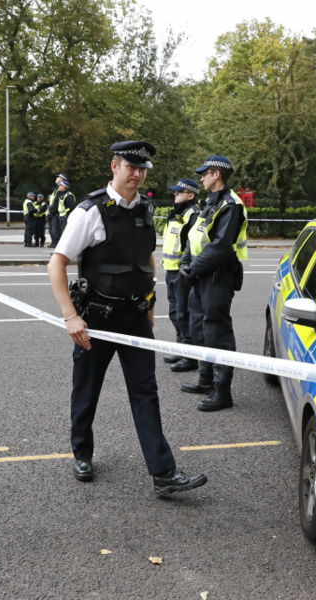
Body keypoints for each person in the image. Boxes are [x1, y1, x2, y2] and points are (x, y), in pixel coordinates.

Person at [47, 140, 207, 497]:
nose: (137, 174)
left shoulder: (146, 209)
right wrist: (71, 316)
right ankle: (82, 453)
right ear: (114, 167)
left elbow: (145, 261)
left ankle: (163, 473)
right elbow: (56, 263)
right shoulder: (89, 211)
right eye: (130, 167)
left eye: (142, 169)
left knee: (146, 392)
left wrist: (149, 311)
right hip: (96, 319)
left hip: (134, 318)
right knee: (87, 390)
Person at [179, 156, 248, 412]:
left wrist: (193, 268)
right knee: (199, 327)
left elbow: (220, 246)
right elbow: (195, 235)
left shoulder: (231, 205)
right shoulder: (211, 201)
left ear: (216, 175)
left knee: (217, 332)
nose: (201, 178)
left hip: (218, 275)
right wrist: (187, 262)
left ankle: (222, 391)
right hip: (202, 273)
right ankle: (206, 379)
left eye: (204, 173)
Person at [161, 179, 201, 371]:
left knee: (184, 313)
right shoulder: (177, 214)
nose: (175, 194)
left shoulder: (192, 214)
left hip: (181, 272)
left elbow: (193, 245)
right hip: (170, 269)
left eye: (179, 192)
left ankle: (190, 355)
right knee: (174, 313)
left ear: (190, 195)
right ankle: (181, 347)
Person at [47, 173, 67, 248]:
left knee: (56, 229)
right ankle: (54, 243)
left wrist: (51, 210)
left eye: (58, 177)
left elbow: (56, 202)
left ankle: (56, 244)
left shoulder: (59, 190)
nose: (56, 178)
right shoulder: (56, 189)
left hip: (56, 213)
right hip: (53, 212)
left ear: (62, 179)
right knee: (53, 229)